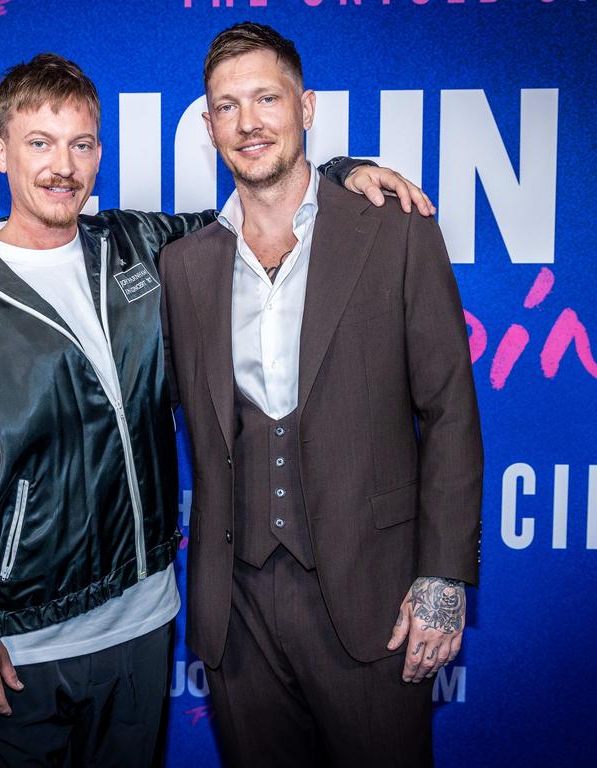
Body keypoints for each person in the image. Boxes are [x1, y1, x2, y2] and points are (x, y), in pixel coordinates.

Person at [0, 52, 434, 767]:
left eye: (80, 144)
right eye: (39, 144)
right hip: (18, 646)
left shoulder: (138, 247)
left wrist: (335, 172)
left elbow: (255, 209)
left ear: (98, 155)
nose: (61, 166)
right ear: (0, 153)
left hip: (141, 627)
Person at [159, 23, 483, 767]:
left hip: (373, 600)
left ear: (305, 108)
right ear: (208, 127)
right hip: (236, 613)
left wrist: (441, 579)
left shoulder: (394, 232)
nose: (249, 122)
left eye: (267, 98)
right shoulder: (184, 264)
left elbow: (450, 410)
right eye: (227, 106)